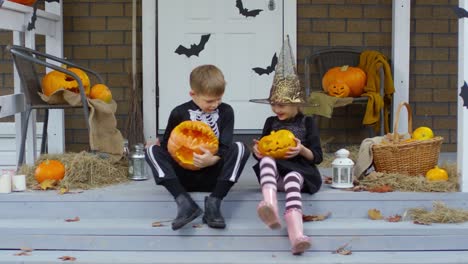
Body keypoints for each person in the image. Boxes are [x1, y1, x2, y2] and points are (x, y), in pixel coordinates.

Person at [145, 64, 250, 230]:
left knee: (241, 148)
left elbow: (224, 145)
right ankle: (184, 202)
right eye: (209, 100)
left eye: (219, 99)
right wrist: (159, 147)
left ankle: (214, 203)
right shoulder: (178, 113)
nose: (215, 104)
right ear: (193, 94)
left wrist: (213, 159)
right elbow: (168, 146)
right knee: (151, 150)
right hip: (183, 177)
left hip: (214, 177)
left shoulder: (226, 112)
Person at [250, 36, 323, 255]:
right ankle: (269, 203)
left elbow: (317, 156)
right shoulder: (270, 123)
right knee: (268, 159)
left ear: (296, 104)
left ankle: (296, 235)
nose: (276, 110)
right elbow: (263, 152)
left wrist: (302, 150)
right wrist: (258, 152)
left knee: (292, 179)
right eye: (273, 105)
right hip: (273, 177)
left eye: (281, 105)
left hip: (299, 172)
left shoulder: (307, 122)